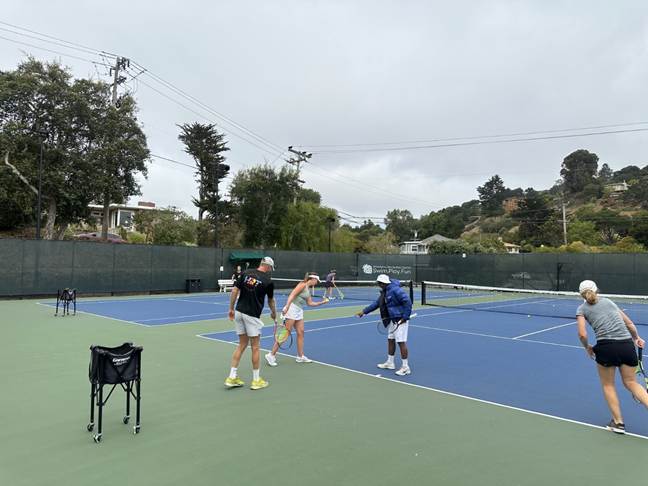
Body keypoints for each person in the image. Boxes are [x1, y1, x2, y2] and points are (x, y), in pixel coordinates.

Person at [576, 279, 648, 434]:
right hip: (627, 346)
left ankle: (618, 423)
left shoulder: (581, 309)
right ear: (596, 290)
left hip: (606, 348)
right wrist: (636, 338)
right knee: (631, 383)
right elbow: (629, 324)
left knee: (608, 385)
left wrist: (587, 347)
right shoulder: (609, 302)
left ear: (580, 294)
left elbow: (582, 334)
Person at [225, 256, 277, 390]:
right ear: (268, 267)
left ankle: (232, 377)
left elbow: (235, 291)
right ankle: (256, 380)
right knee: (255, 347)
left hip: (239, 312)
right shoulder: (268, 281)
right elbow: (271, 301)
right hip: (252, 315)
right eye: (271, 268)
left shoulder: (245, 273)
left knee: (242, 344)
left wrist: (231, 308)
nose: (270, 270)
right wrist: (273, 313)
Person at [265, 272, 329, 366]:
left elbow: (310, 303)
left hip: (299, 311)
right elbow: (292, 295)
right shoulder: (302, 285)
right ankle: (271, 355)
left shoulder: (308, 289)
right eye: (317, 281)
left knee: (301, 332)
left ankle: (300, 356)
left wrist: (322, 302)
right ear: (312, 279)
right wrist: (287, 306)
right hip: (292, 309)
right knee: (286, 333)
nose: (317, 283)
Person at [356, 274, 413, 376]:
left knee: (401, 342)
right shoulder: (385, 292)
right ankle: (390, 363)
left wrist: (405, 317)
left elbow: (408, 302)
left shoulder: (396, 290)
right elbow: (376, 304)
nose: (378, 285)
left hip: (400, 319)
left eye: (379, 283)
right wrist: (364, 312)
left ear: (383, 283)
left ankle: (405, 367)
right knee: (390, 340)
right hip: (392, 319)